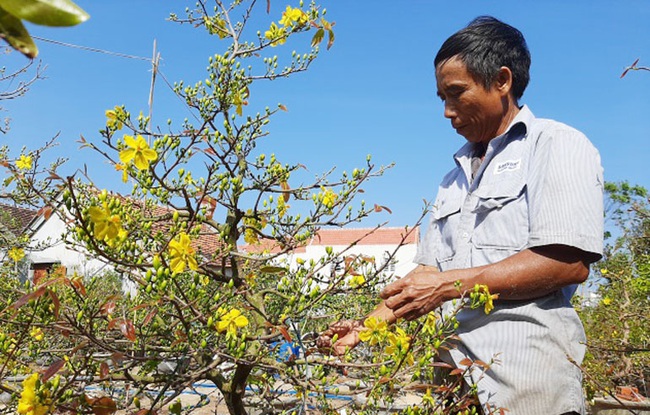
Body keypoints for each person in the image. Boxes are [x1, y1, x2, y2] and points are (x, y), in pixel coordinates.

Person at [318, 16, 603, 415]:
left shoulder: (556, 146)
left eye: (456, 93)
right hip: (455, 382)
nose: (448, 112)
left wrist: (447, 286)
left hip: (527, 384)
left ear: (502, 81)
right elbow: (427, 276)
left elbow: (566, 263)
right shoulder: (453, 178)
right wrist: (364, 328)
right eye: (441, 99)